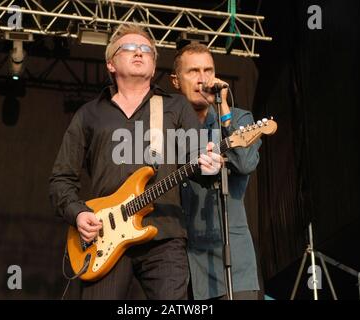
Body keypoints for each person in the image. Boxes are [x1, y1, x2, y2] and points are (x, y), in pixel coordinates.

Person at [49, 25, 221, 300]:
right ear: (111, 64)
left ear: (153, 68)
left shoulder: (175, 107)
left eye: (147, 51)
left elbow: (197, 159)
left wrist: (210, 166)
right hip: (104, 237)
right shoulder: (89, 114)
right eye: (129, 48)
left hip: (164, 235)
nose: (139, 53)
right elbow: (61, 179)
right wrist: (78, 213)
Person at [170, 43, 262, 300]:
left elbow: (244, 163)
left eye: (208, 70)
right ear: (176, 81)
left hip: (231, 265)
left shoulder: (240, 118)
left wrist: (223, 111)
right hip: (182, 267)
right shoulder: (167, 127)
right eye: (194, 71)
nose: (202, 78)